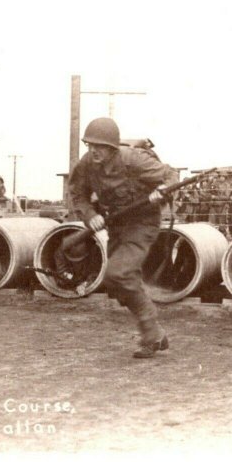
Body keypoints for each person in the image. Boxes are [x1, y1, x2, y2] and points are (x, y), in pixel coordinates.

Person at [69, 117, 177, 359]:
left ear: (112, 147)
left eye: (100, 146)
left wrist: (162, 190)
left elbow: (170, 174)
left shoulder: (133, 160)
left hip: (142, 224)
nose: (94, 151)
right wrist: (89, 215)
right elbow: (78, 194)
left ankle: (150, 330)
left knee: (118, 273)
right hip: (117, 226)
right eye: (90, 145)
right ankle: (154, 335)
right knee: (116, 283)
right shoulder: (86, 165)